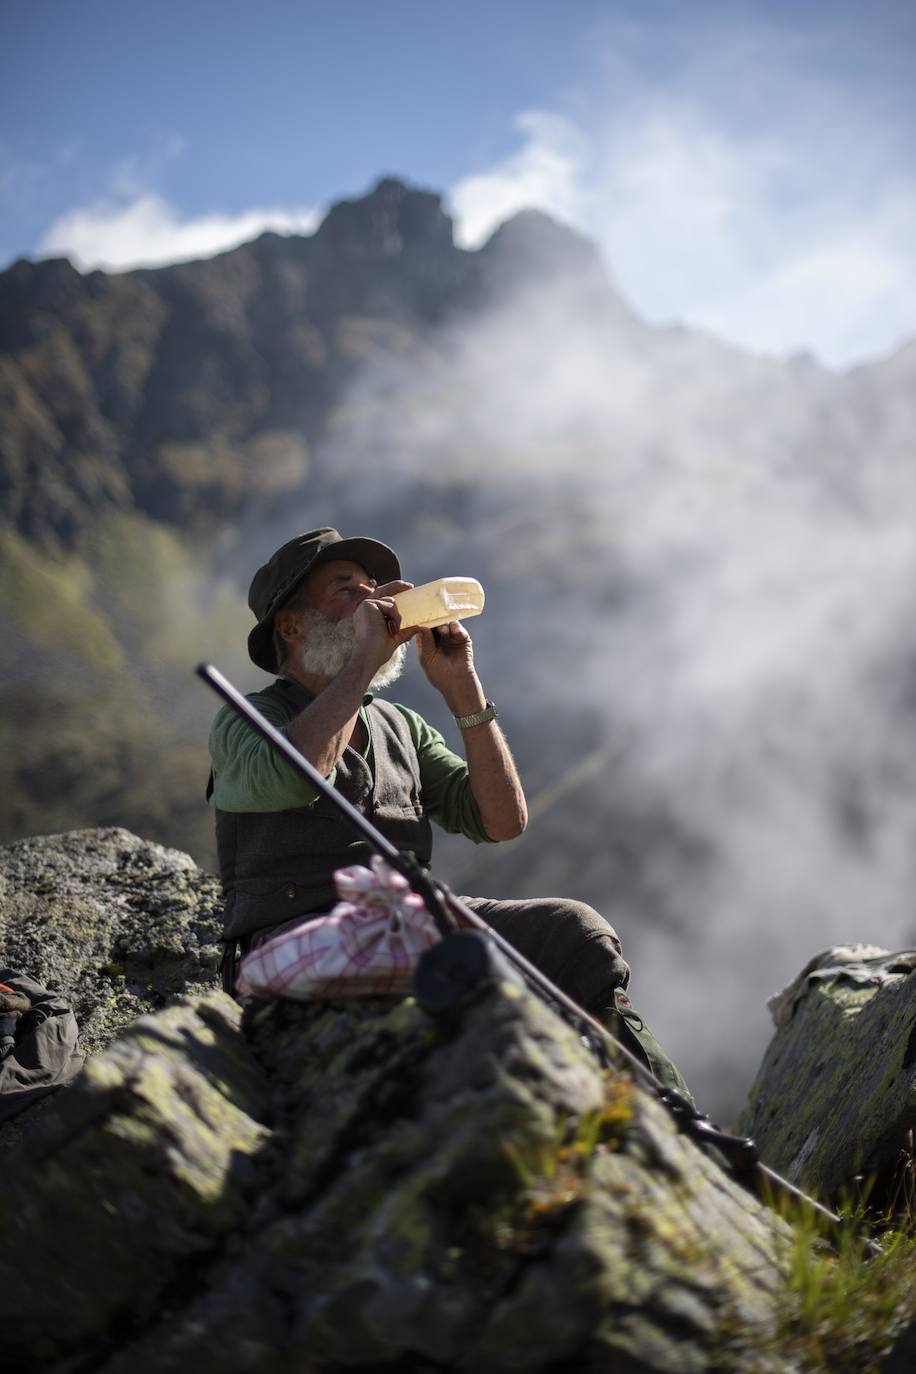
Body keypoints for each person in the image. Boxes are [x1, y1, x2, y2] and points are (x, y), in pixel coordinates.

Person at [208, 527, 690, 1096]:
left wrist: (462, 686)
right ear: (292, 627)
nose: (374, 598)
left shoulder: (399, 727)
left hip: (408, 924)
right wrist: (363, 660)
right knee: (454, 962)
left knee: (574, 933)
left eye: (372, 586)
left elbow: (501, 821)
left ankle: (667, 1111)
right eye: (347, 590)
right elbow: (296, 773)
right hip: (300, 936)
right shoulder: (246, 720)